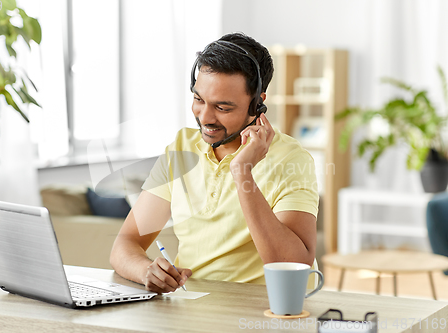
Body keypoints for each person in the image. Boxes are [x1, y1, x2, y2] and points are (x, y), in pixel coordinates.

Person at [110, 32, 319, 294]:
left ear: (257, 104)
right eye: (199, 100)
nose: (205, 117)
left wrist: (242, 173)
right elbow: (126, 244)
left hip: (262, 312)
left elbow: (294, 265)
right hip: (191, 307)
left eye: (223, 107)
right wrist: (146, 271)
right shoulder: (182, 147)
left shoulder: (291, 159)